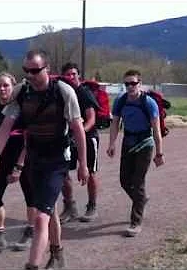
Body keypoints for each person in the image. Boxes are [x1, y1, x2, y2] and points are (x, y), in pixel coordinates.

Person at [0, 50, 88, 270]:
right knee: (48, 208)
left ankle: (32, 265)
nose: (30, 75)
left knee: (41, 216)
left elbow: (78, 128)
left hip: (56, 161)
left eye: (35, 70)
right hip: (34, 160)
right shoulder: (22, 92)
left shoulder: (63, 92)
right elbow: (6, 124)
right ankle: (57, 254)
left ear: (47, 69)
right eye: (26, 71)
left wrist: (83, 163)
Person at [0, 73, 36, 257]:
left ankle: (31, 231)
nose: (2, 89)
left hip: (24, 157)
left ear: (14, 87)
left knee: (31, 195)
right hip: (2, 157)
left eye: (6, 85)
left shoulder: (23, 108)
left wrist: (19, 166)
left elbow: (29, 138)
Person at [107, 69, 164, 237]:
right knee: (125, 180)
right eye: (127, 84)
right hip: (128, 141)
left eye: (133, 83)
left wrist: (159, 153)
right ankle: (141, 200)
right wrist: (112, 143)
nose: (130, 86)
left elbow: (157, 130)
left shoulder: (149, 103)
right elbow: (115, 124)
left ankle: (135, 222)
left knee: (138, 181)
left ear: (140, 84)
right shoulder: (121, 101)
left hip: (145, 143)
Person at [59, 62, 101, 223]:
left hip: (89, 138)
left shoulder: (84, 93)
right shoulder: (62, 92)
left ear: (79, 76)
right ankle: (70, 207)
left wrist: (80, 134)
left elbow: (91, 119)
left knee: (90, 172)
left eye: (73, 74)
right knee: (63, 173)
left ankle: (92, 206)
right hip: (68, 138)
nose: (70, 77)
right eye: (67, 75)